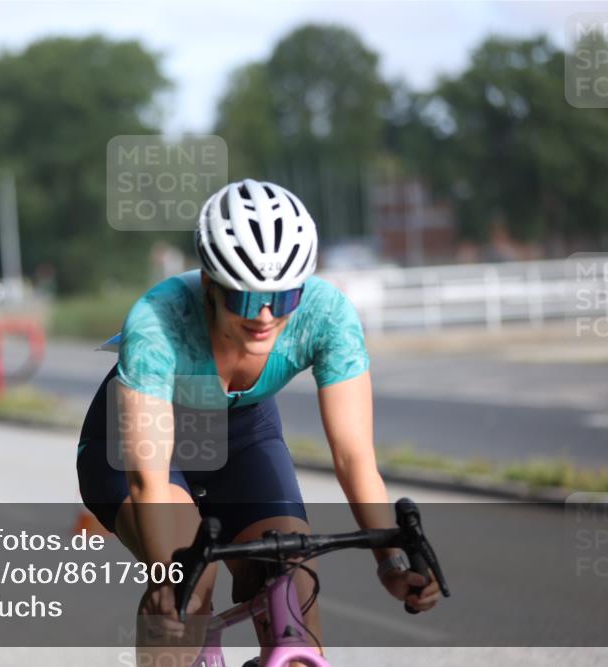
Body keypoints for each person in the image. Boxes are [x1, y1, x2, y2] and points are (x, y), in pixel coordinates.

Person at [76, 179, 441, 664]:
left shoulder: (326, 314)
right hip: (135, 446)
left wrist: (390, 561)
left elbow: (354, 456)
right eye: (246, 299)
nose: (266, 315)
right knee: (190, 585)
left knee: (292, 575)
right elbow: (148, 478)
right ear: (210, 284)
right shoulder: (159, 320)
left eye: (283, 298)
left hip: (242, 434)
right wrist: (166, 580)